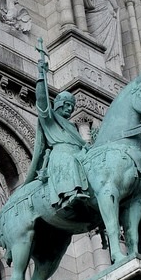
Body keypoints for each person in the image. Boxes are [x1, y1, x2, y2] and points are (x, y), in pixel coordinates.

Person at [24, 39, 90, 212]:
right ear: (59, 104)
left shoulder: (72, 127)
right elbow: (42, 100)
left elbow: (82, 144)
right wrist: (41, 75)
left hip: (77, 153)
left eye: (72, 107)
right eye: (66, 105)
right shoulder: (49, 118)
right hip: (61, 155)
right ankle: (69, 194)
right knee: (69, 158)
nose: (69, 109)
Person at [82, 0, 123, 72]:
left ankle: (112, 68)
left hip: (110, 25)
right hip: (96, 21)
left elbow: (115, 7)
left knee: (109, 54)